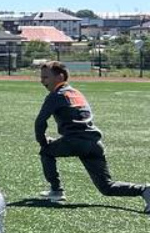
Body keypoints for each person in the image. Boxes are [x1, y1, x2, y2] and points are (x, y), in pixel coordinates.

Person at [34, 61, 150, 210]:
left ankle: (56, 190)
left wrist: (43, 141)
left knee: (46, 152)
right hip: (94, 143)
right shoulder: (75, 92)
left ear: (60, 77)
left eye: (45, 77)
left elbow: (40, 122)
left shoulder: (55, 95)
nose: (42, 81)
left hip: (75, 141)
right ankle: (144, 190)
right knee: (107, 187)